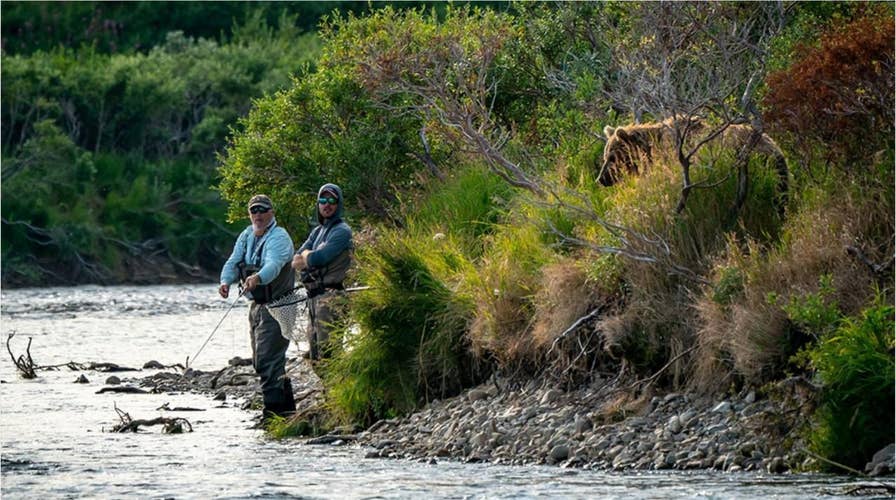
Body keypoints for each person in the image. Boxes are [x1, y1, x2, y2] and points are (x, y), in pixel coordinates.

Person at [219, 194, 296, 422]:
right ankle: (287, 411)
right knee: (261, 361)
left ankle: (273, 414)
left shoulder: (279, 238)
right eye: (254, 211)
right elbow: (234, 261)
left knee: (267, 359)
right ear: (249, 214)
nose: (258, 215)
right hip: (257, 306)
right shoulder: (246, 235)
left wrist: (257, 277)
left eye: (263, 210)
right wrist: (225, 281)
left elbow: (273, 265)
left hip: (280, 305)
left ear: (272, 213)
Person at [292, 183, 353, 360]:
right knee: (315, 356)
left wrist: (306, 255)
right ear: (318, 204)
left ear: (338, 203)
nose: (327, 204)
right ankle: (330, 387)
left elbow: (316, 258)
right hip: (313, 298)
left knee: (329, 354)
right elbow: (295, 262)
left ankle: (338, 387)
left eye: (332, 200)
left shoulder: (342, 231)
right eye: (323, 200)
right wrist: (306, 256)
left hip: (332, 298)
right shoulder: (317, 231)